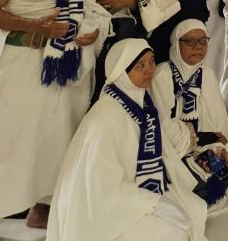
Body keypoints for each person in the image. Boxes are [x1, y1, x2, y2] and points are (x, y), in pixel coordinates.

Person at [0, 0, 105, 237]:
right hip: (21, 60)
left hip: (67, 64)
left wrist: (88, 30)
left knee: (58, 138)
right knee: (3, 137)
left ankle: (42, 209)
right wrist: (35, 25)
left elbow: (87, 6)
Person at [47, 39, 207, 240]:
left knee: (193, 209)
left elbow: (164, 151)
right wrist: (152, 203)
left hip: (135, 193)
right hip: (105, 210)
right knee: (173, 230)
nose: (149, 70)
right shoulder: (106, 116)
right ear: (122, 71)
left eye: (151, 62)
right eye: (140, 65)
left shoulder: (141, 104)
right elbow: (102, 187)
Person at [151, 20, 228, 216]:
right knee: (184, 184)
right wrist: (195, 140)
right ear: (176, 44)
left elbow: (218, 123)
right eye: (190, 42)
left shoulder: (207, 74)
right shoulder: (162, 74)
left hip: (201, 147)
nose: (198, 47)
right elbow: (161, 127)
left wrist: (215, 148)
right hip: (172, 151)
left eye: (203, 41)